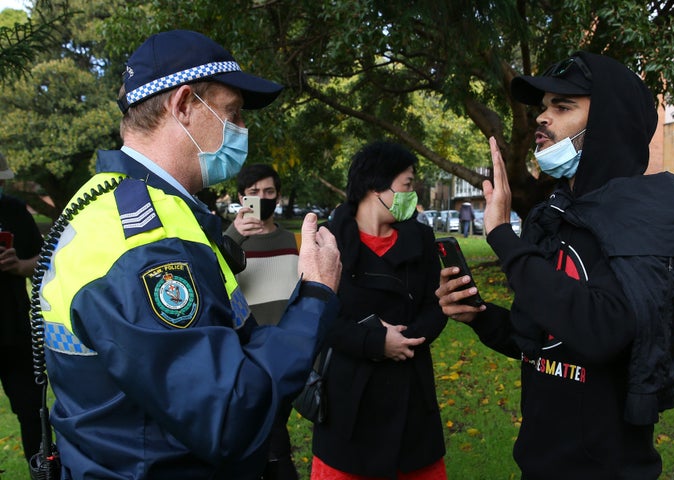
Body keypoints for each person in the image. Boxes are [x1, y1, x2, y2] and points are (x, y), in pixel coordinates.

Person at [36, 30, 342, 480]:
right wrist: (315, 295)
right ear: (182, 106)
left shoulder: (111, 202)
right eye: (232, 113)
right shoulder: (147, 243)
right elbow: (230, 415)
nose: (241, 130)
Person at [436, 52, 674, 479]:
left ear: (607, 123)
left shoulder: (643, 219)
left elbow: (602, 332)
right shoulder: (552, 217)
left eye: (563, 106)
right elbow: (539, 343)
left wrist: (502, 235)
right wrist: (479, 316)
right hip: (539, 464)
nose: (542, 117)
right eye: (543, 107)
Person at [311, 141, 448, 480]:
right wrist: (375, 342)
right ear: (376, 187)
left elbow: (437, 304)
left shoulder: (422, 238)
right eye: (408, 183)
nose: (413, 193)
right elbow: (316, 318)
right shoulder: (327, 243)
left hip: (412, 396)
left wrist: (406, 340)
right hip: (350, 402)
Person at [224, 163, 300, 479]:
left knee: (273, 432)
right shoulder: (227, 240)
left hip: (291, 353)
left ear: (278, 196)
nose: (262, 198)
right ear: (241, 199)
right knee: (267, 436)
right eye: (254, 193)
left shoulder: (295, 241)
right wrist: (233, 237)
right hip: (249, 356)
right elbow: (211, 277)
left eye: (269, 192)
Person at [0, 153, 43, 462]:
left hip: (13, 327)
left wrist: (19, 265)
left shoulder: (14, 210)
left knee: (33, 412)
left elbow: (43, 259)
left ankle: (42, 471)